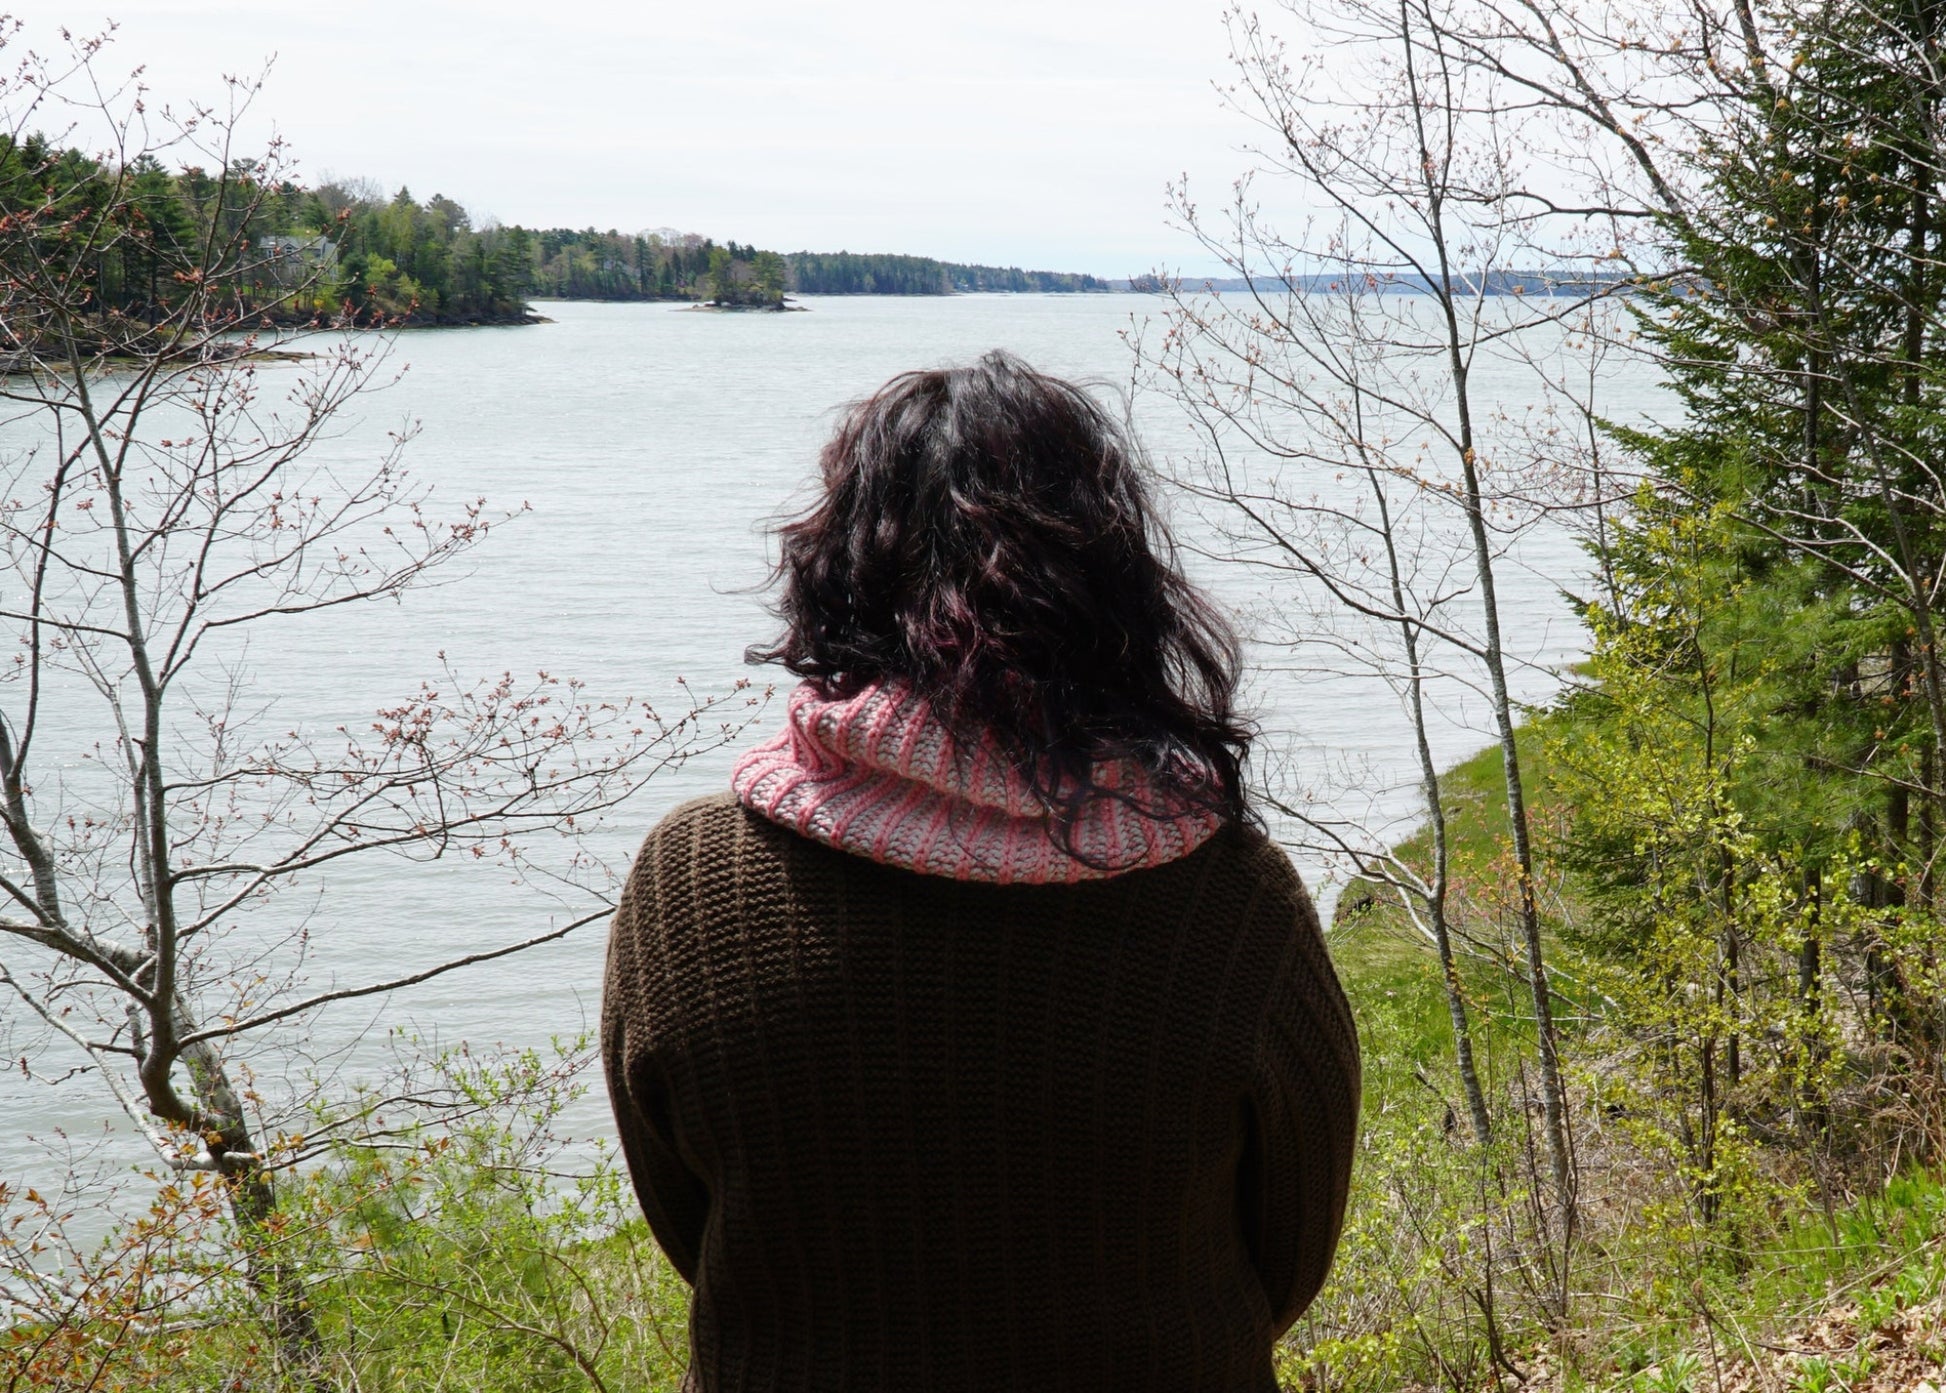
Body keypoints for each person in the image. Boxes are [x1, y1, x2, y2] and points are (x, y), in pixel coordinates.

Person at [601, 351, 1361, 1393]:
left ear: (837, 572)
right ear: (1114, 590)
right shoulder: (1227, 895)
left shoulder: (689, 879)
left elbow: (688, 1219)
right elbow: (1288, 1250)